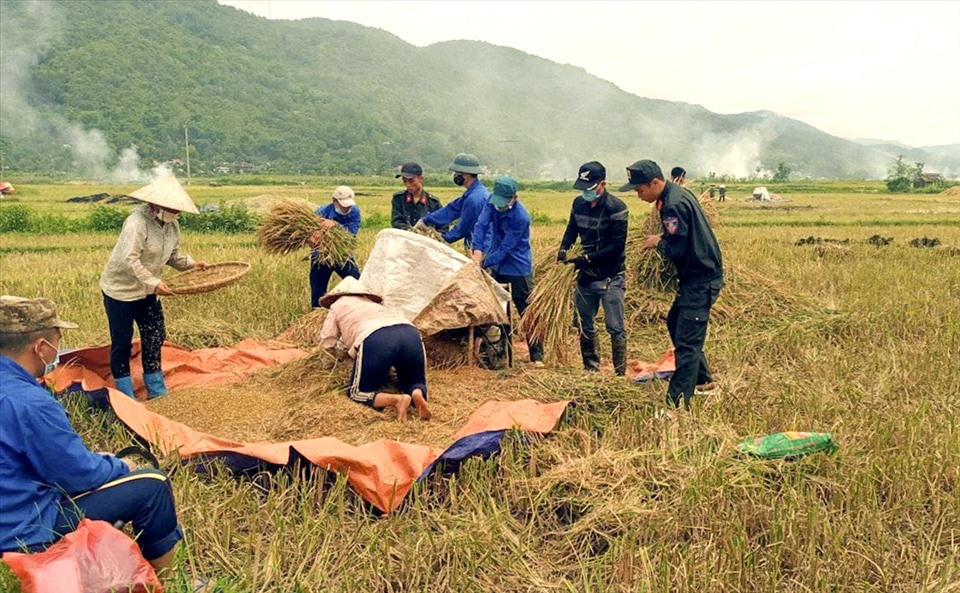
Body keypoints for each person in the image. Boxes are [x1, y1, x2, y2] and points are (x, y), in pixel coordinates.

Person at [0, 296, 183, 573]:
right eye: (57, 341)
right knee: (152, 485)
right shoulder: (31, 402)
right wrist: (120, 465)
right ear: (40, 347)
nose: (57, 352)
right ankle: (171, 582)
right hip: (19, 531)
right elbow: (76, 475)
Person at [622, 159, 724, 411]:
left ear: (655, 183)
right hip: (696, 276)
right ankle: (703, 380)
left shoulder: (673, 206)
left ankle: (677, 403)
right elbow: (680, 234)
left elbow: (677, 248)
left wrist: (658, 243)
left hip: (700, 279)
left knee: (687, 343)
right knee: (675, 321)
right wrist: (663, 236)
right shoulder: (677, 195)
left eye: (639, 189)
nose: (638, 195)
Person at [99, 174, 207, 399]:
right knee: (122, 342)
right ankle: (126, 395)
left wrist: (192, 265)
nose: (176, 214)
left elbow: (172, 256)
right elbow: (131, 259)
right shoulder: (137, 223)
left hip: (148, 292)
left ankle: (156, 388)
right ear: (155, 204)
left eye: (178, 210)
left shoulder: (172, 226)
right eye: (172, 209)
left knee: (155, 335)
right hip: (121, 291)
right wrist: (155, 282)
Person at [319, 278, 432, 422]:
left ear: (335, 296)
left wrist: (328, 364)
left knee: (358, 392)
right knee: (414, 379)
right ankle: (416, 393)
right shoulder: (372, 304)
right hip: (410, 332)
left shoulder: (337, 305)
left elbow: (327, 339)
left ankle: (396, 400)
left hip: (376, 336)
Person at [557, 161, 630, 376]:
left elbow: (617, 247)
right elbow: (571, 230)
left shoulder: (617, 208)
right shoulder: (578, 204)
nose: (584, 194)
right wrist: (563, 249)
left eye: (588, 189)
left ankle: (619, 374)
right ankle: (591, 370)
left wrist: (587, 258)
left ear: (602, 184)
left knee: (615, 326)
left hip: (610, 277)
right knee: (584, 323)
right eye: (582, 189)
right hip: (586, 278)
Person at [471, 176, 544, 366]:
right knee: (498, 310)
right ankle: (500, 355)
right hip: (497, 264)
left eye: (504, 202)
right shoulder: (491, 202)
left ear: (514, 198)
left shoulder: (521, 217)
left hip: (518, 266)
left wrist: (485, 261)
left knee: (526, 310)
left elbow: (506, 248)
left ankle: (537, 356)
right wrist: (477, 251)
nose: (499, 206)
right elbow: (480, 226)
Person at [420, 153, 490, 250]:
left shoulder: (475, 199)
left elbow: (464, 227)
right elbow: (452, 209)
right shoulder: (473, 192)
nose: (455, 175)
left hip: (483, 247)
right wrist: (426, 220)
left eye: (457, 172)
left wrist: (442, 238)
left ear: (466, 174)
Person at [308, 185, 362, 309]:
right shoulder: (322, 212)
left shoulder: (354, 212)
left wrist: (335, 225)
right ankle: (317, 314)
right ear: (334, 201)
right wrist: (311, 238)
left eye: (348, 205)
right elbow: (310, 235)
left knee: (357, 283)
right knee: (318, 288)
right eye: (343, 205)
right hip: (321, 254)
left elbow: (351, 234)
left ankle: (360, 308)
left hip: (342, 253)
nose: (346, 208)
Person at [391, 162, 443, 230]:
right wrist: (413, 232)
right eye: (404, 181)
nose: (408, 185)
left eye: (411, 181)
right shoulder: (398, 199)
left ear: (420, 179)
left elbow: (443, 227)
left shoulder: (433, 203)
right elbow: (397, 222)